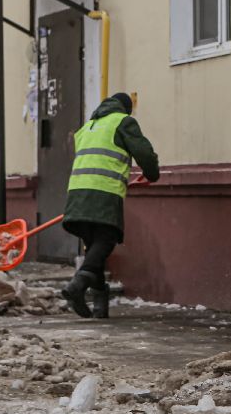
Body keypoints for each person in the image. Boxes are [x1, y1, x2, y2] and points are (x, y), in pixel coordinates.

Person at [60, 91, 159, 319]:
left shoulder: (88, 127)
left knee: (94, 247)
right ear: (125, 109)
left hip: (77, 192)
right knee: (106, 240)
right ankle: (78, 285)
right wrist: (152, 174)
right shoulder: (123, 122)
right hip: (104, 192)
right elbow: (144, 152)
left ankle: (99, 306)